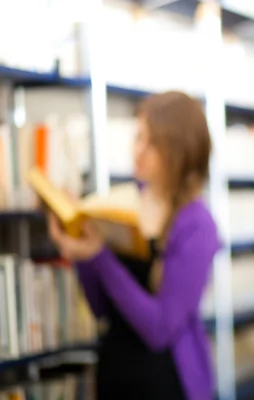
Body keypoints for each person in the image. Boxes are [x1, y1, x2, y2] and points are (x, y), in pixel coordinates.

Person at [48, 91, 219, 400]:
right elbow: (101, 308)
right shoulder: (121, 204)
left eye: (151, 143)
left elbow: (159, 329)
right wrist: (79, 247)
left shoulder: (197, 224)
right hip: (115, 373)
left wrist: (99, 256)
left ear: (179, 151)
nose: (137, 151)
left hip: (167, 382)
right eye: (137, 137)